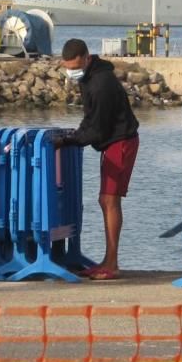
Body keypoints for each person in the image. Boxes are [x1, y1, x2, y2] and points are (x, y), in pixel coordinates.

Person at [56, 39, 139, 281]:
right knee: (106, 201)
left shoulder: (102, 83)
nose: (71, 72)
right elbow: (89, 119)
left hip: (120, 142)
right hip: (112, 141)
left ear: (87, 58)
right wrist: (75, 134)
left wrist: (69, 141)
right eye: (67, 67)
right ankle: (107, 260)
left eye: (75, 66)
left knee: (109, 201)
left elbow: (98, 130)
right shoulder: (88, 78)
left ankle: (112, 264)